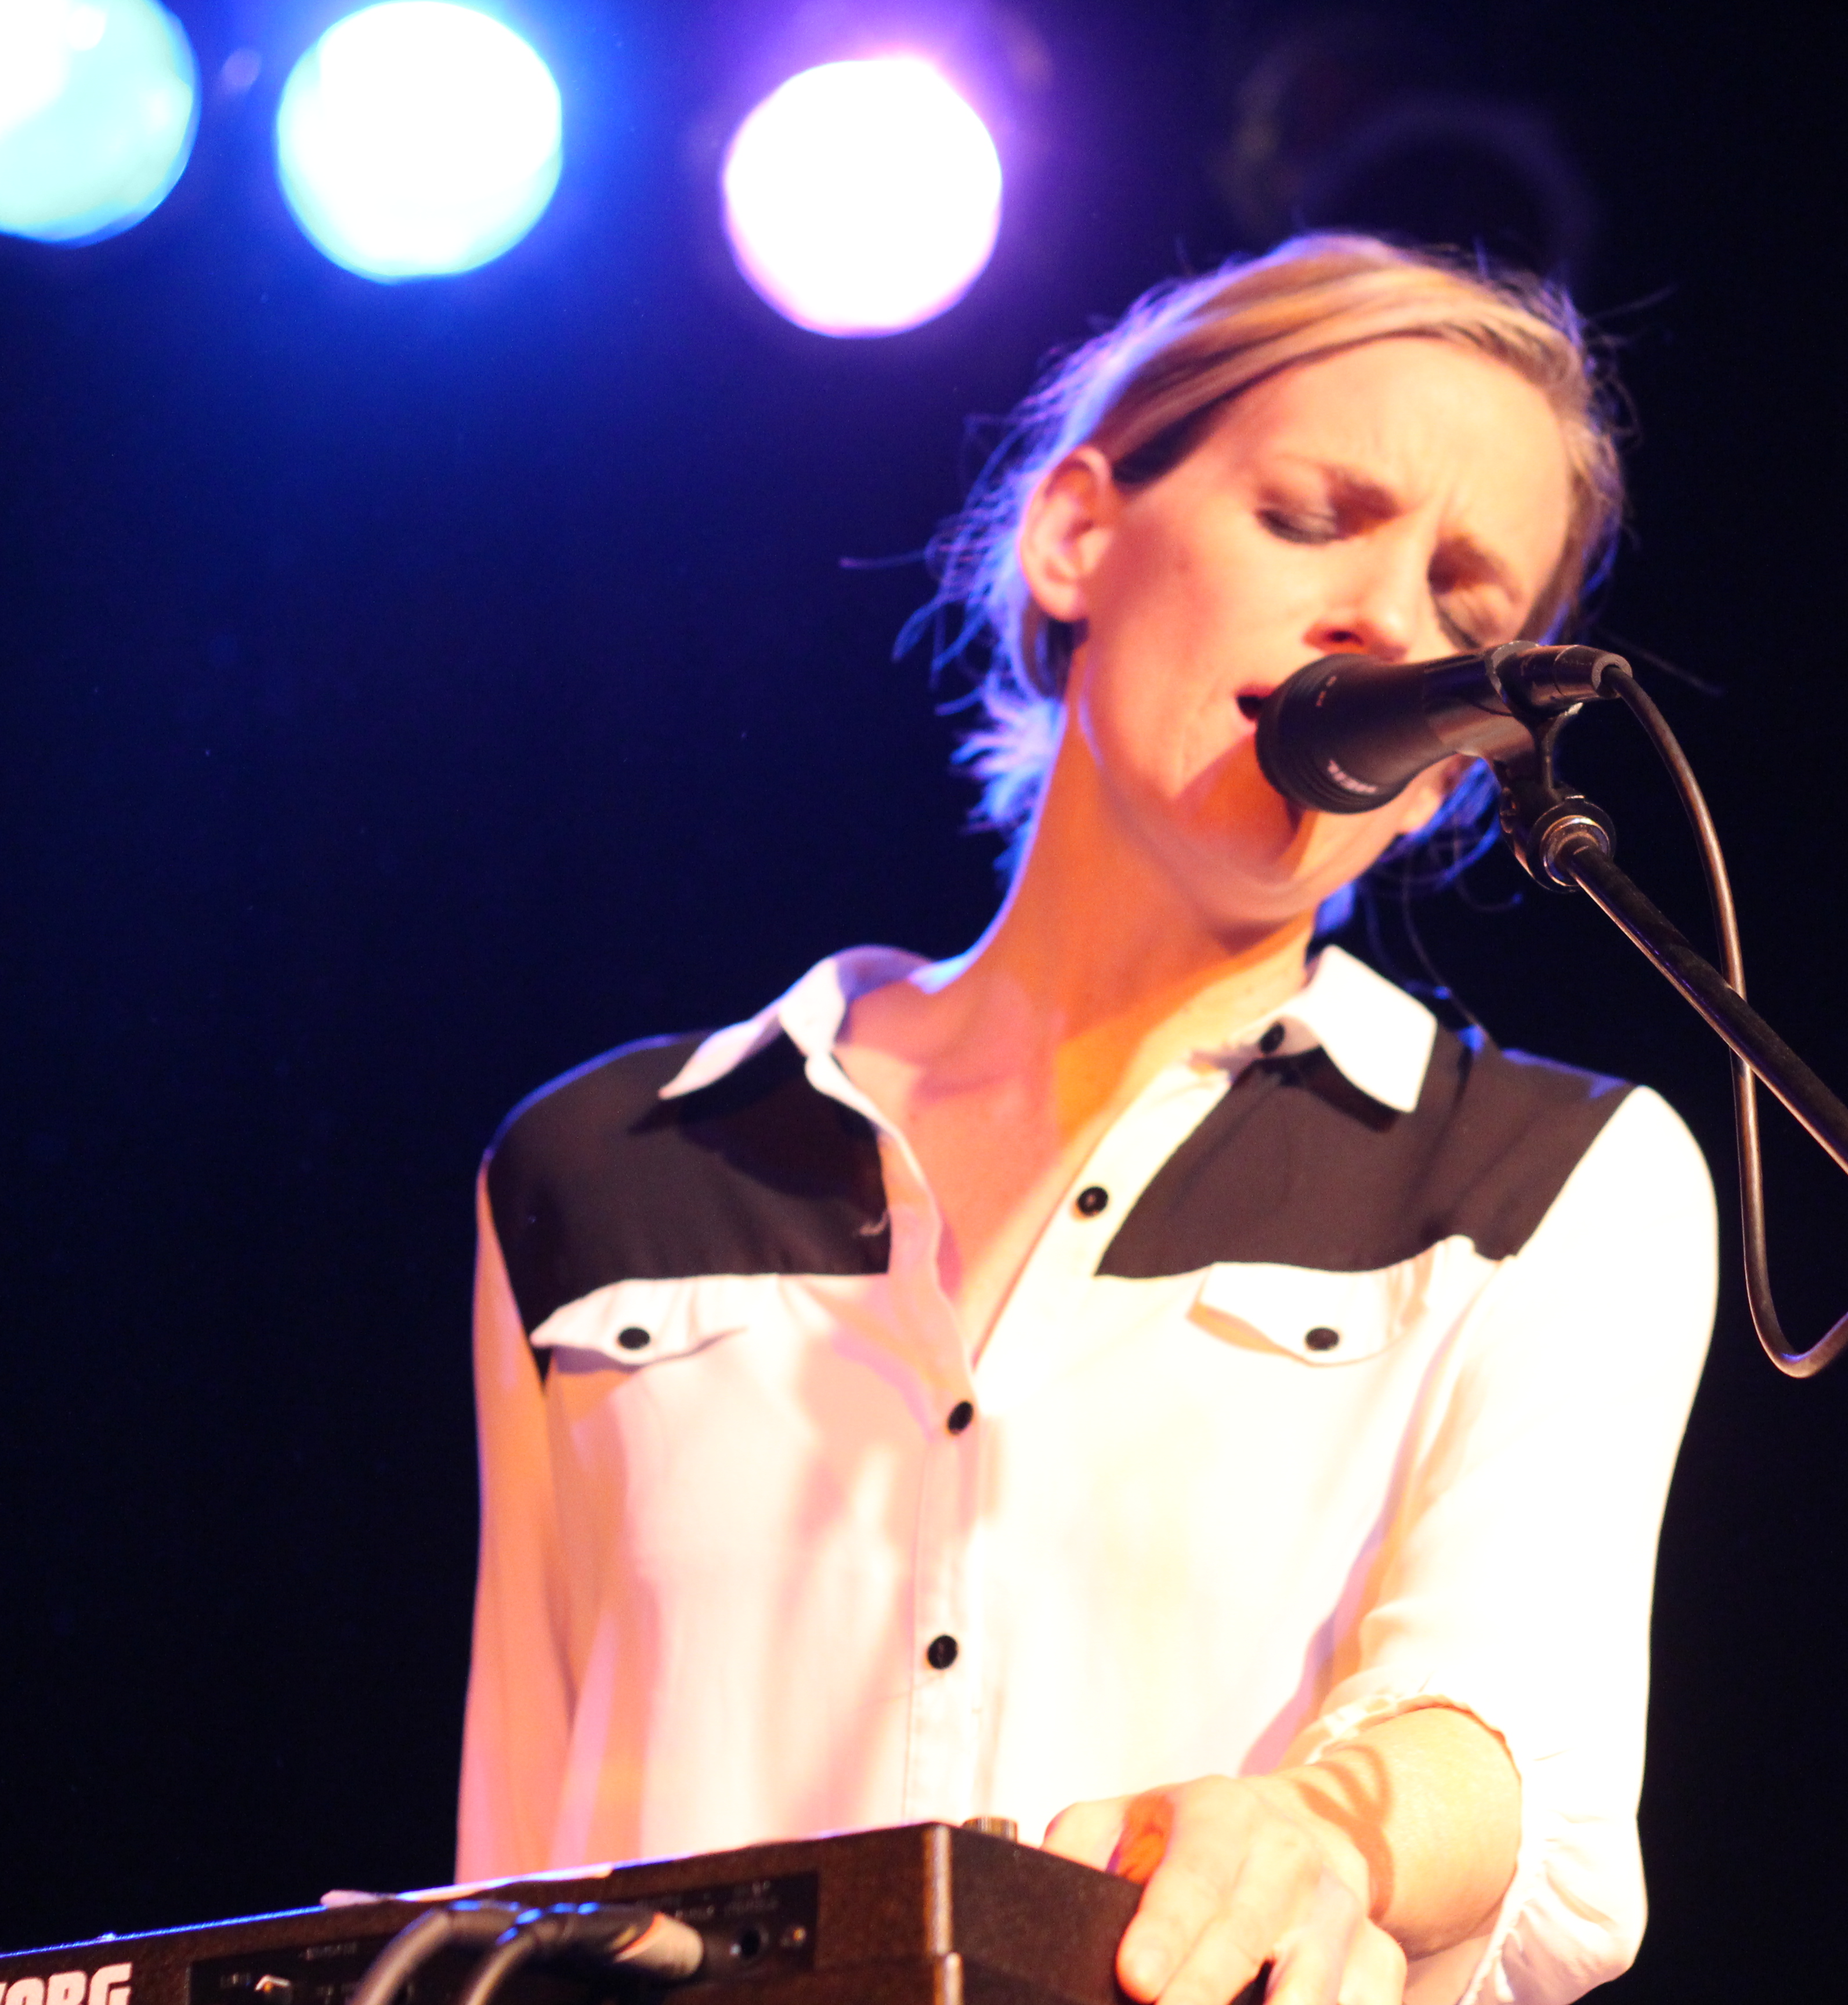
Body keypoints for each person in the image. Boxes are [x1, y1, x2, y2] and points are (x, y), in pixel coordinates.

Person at [457, 236, 1717, 2005]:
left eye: (1467, 614)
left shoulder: (1551, 1180)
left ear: (1464, 757)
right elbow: (517, 1869)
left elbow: (1529, 1772)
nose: (1386, 622)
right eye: (1313, 519)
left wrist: (1327, 1835)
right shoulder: (605, 1170)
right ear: (1075, 538)